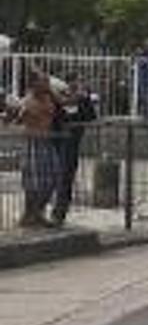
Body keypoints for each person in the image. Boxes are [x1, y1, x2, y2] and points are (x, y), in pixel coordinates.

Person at [12, 70, 61, 228]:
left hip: (47, 141)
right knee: (33, 183)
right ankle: (30, 215)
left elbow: (64, 104)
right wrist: (17, 114)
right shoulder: (26, 101)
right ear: (33, 84)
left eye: (46, 81)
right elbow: (15, 118)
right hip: (32, 142)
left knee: (54, 178)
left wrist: (50, 89)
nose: (46, 83)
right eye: (42, 81)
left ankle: (37, 212)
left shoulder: (49, 97)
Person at [48, 76, 98, 227]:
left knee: (66, 179)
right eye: (71, 86)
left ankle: (59, 213)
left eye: (76, 86)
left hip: (71, 147)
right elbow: (52, 120)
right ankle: (45, 210)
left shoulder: (82, 102)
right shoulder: (58, 102)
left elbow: (91, 117)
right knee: (52, 178)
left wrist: (85, 98)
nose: (73, 89)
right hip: (55, 145)